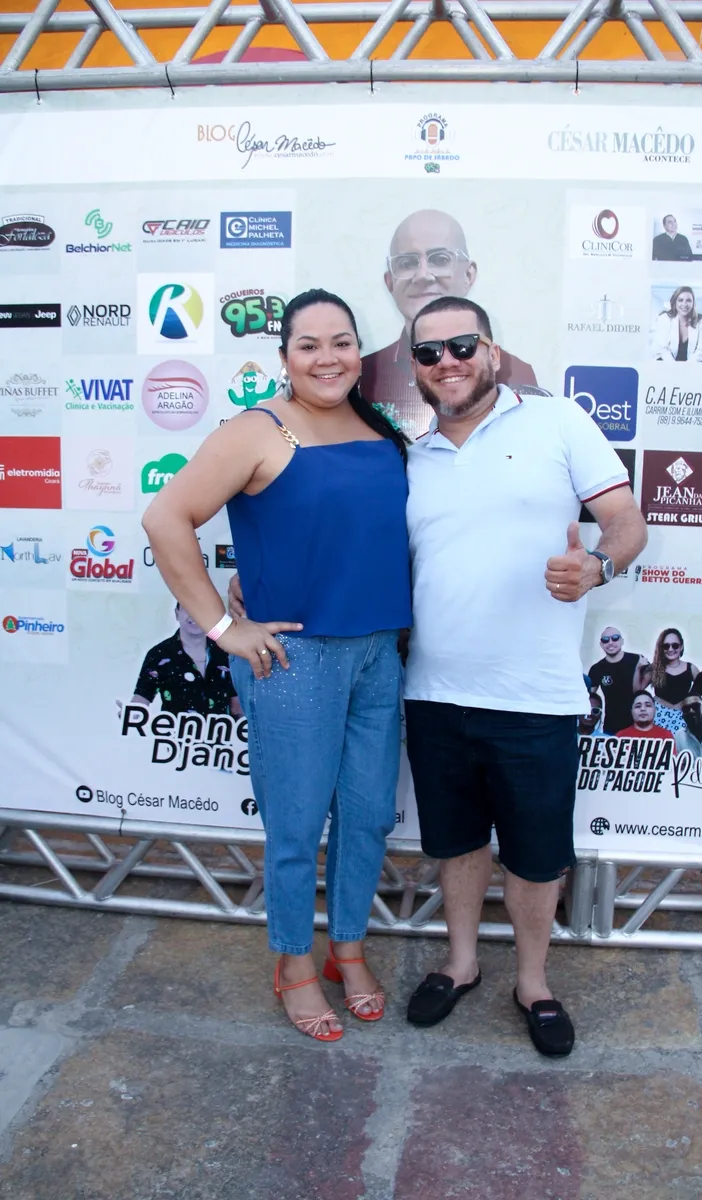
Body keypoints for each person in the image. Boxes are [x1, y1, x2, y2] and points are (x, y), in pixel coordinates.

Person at [142, 288, 412, 1044]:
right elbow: (165, 518)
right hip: (296, 658)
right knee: (296, 825)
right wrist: (223, 625)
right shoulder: (258, 430)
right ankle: (293, 962)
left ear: (359, 349)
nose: (328, 358)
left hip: (379, 652)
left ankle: (346, 950)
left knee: (367, 816)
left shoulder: (377, 426)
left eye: (342, 341)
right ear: (283, 357)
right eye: (309, 345)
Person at [400, 295, 648, 1057]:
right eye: (429, 352)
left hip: (535, 697)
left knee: (538, 858)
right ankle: (462, 964)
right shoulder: (409, 457)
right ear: (415, 368)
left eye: (462, 345)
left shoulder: (559, 422)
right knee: (456, 845)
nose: (447, 362)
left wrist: (598, 566)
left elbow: (627, 522)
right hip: (433, 694)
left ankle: (533, 983)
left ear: (493, 353)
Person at [360, 209, 541, 438]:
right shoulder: (363, 375)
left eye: (440, 260)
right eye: (407, 263)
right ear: (390, 282)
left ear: (468, 275)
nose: (423, 275)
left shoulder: (518, 373)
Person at [130, 602, 242, 717]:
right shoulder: (159, 654)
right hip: (174, 728)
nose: (194, 615)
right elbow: (141, 699)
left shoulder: (225, 653)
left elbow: (237, 707)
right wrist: (128, 714)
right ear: (177, 614)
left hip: (218, 728)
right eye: (187, 608)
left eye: (200, 610)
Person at [587, 627, 649, 734]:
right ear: (601, 644)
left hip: (638, 722)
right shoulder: (596, 668)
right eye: (605, 640)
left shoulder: (637, 660)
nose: (610, 642)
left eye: (615, 638)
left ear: (622, 641)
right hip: (611, 724)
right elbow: (589, 698)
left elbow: (642, 691)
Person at [640, 628, 698, 735]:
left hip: (683, 716)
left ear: (681, 647)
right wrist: (638, 668)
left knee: (681, 744)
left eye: (675, 645)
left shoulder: (691, 668)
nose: (670, 649)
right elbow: (637, 690)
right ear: (661, 648)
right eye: (666, 646)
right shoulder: (654, 668)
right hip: (658, 715)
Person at [650, 286, 702, 363]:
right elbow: (662, 349)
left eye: (688, 300)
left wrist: (687, 367)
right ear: (675, 302)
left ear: (693, 303)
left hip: (692, 365)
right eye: (680, 300)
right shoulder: (664, 318)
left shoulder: (701, 321)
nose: (684, 304)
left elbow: (701, 350)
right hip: (667, 363)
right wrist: (675, 368)